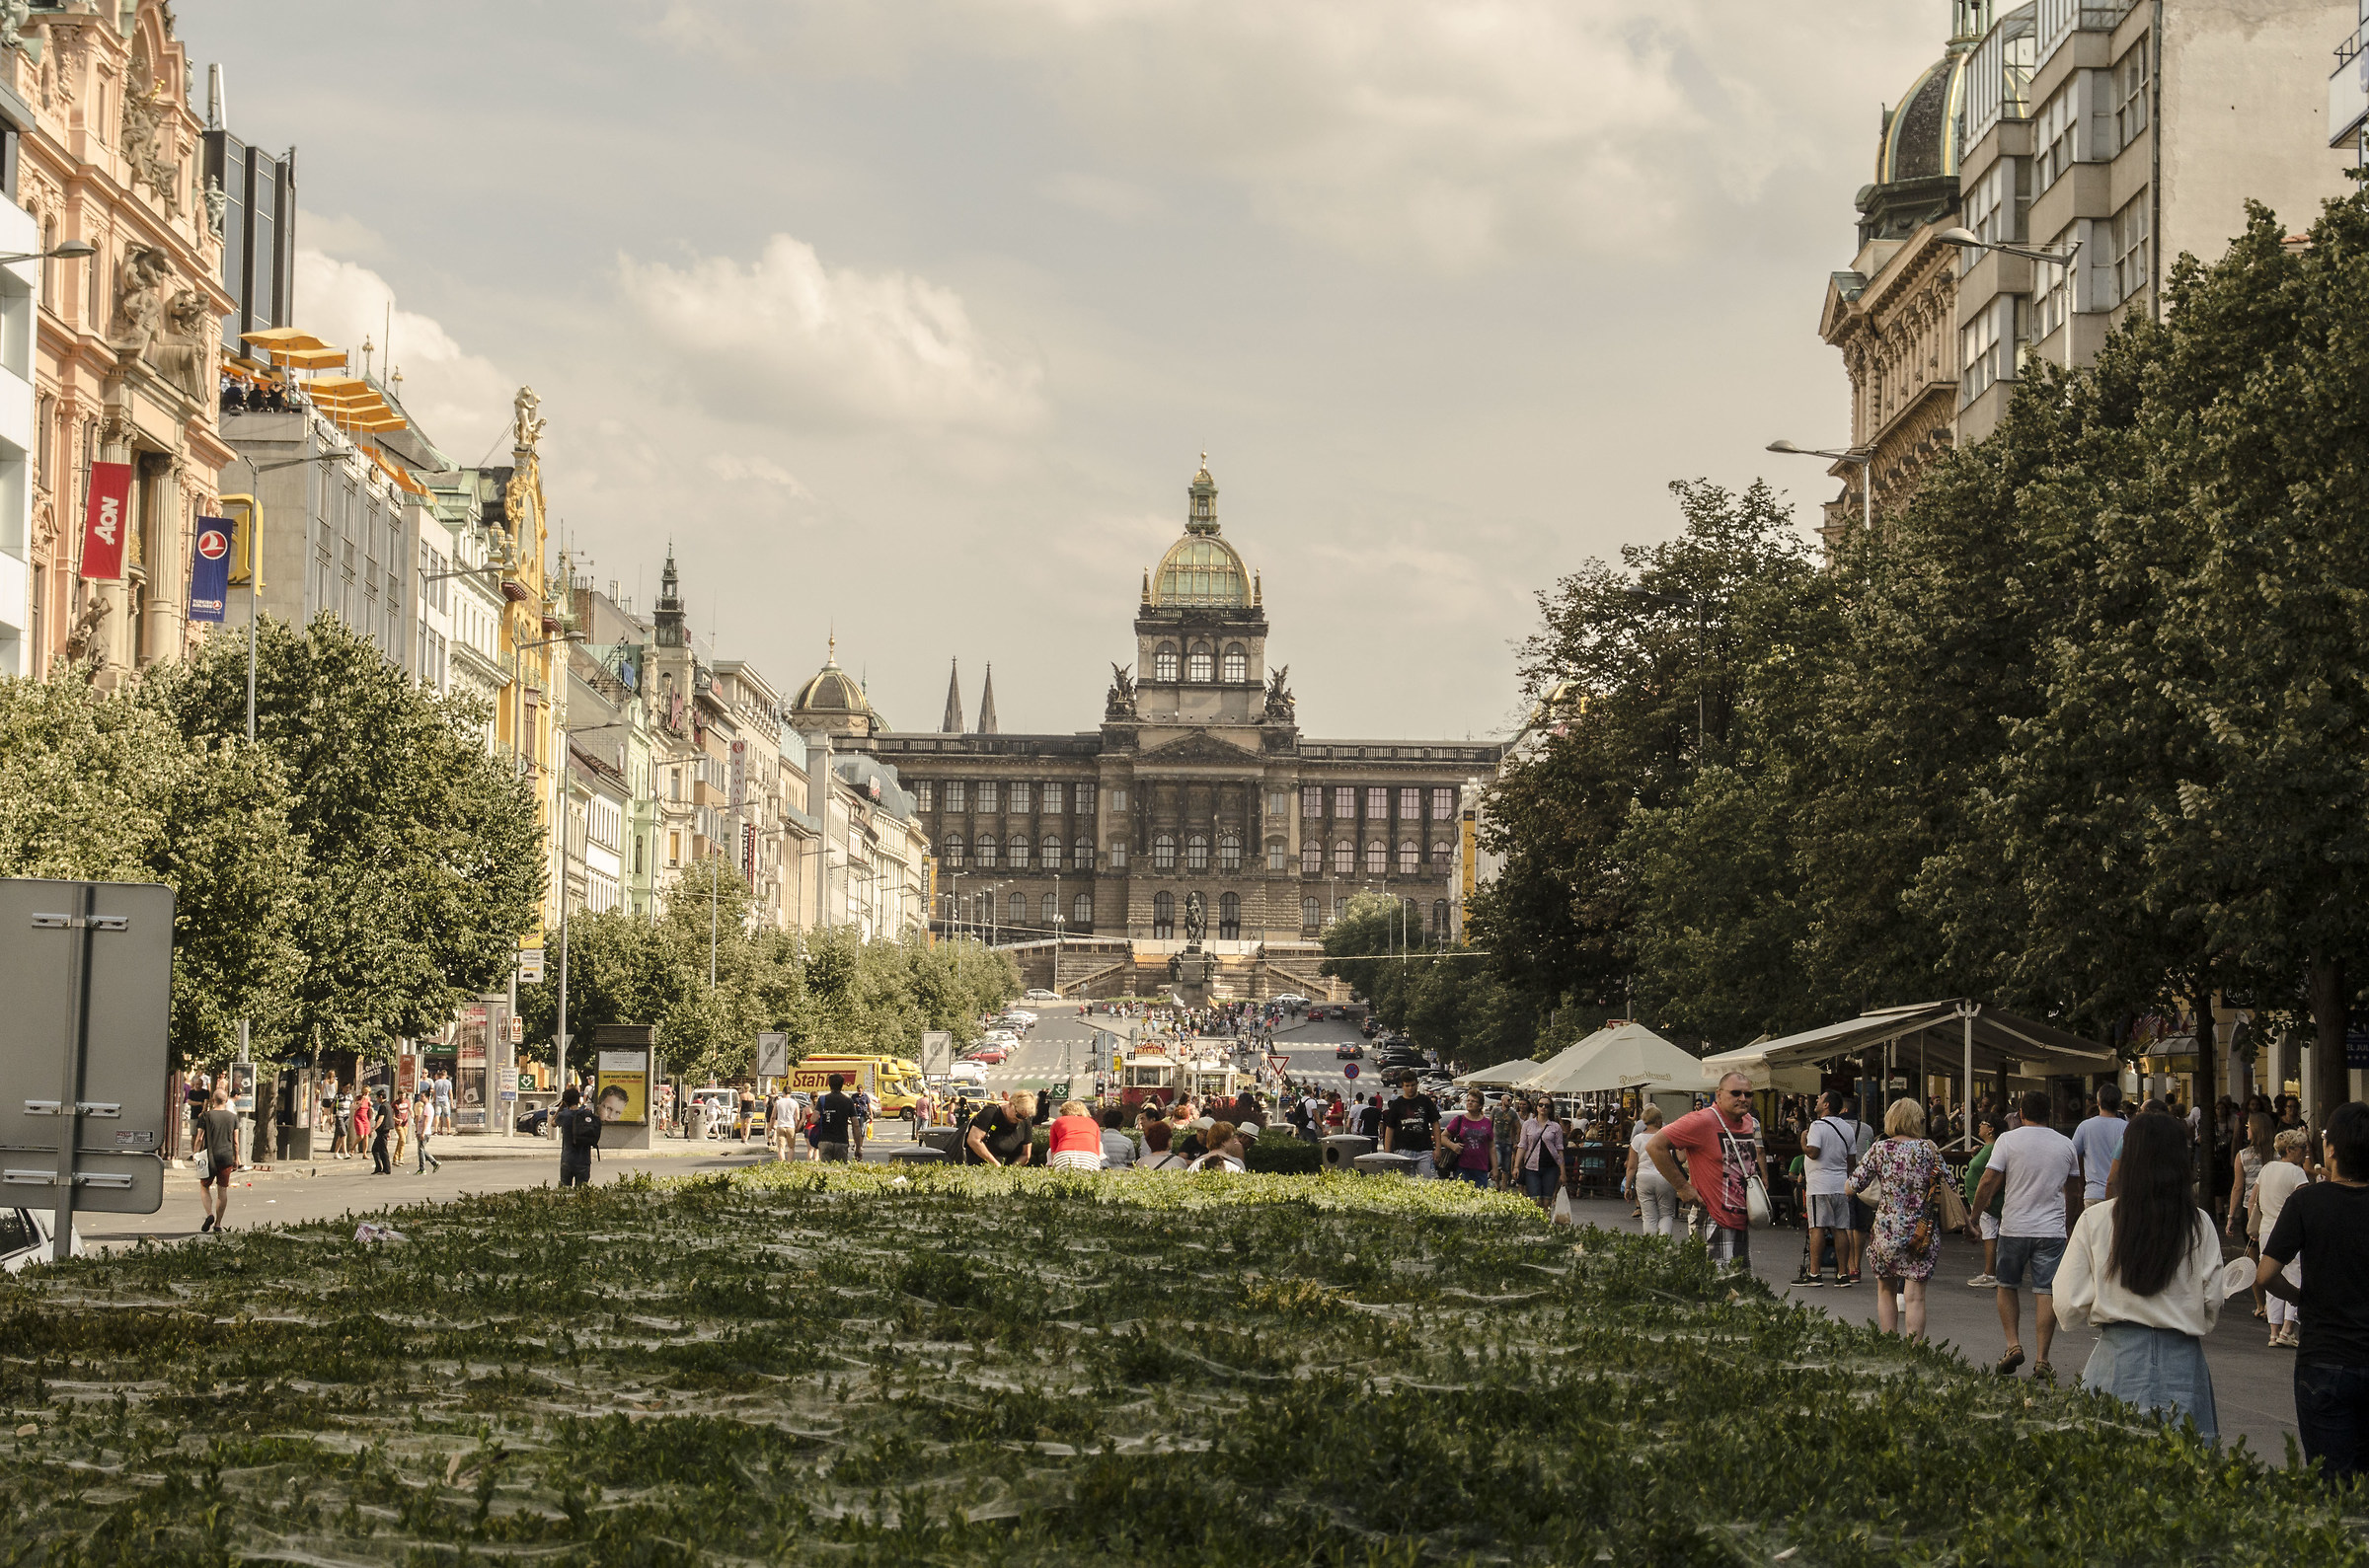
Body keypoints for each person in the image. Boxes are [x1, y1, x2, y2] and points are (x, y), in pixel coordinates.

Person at [2055, 1112, 2224, 1444]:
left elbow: (2066, 1303)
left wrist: (2106, 1302)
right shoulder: (2199, 1223)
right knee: (2190, 1472)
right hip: (2184, 1366)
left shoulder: (2096, 1219)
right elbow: (2212, 1301)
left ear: (2128, 1158)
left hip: (2116, 1362)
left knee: (2109, 1471)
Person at [2259, 1103, 2369, 1483]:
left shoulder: (2308, 1202)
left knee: (2333, 1485)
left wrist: (2298, 1297)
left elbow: (2266, 1274)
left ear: (2333, 1150)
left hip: (2324, 1358)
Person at [1966, 1090, 2084, 1378]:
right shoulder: (2065, 1145)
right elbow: (2074, 1192)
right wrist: (2070, 1225)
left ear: (2020, 1112)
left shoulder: (2007, 1140)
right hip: (2051, 1230)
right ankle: (2042, 1359)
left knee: (2006, 1285)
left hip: (2014, 1227)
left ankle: (2013, 1345)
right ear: (2050, 1114)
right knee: (2046, 1291)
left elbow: (1987, 1181)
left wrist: (1975, 1217)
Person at [1847, 1097, 1947, 1339]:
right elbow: (1949, 1186)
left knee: (1885, 1289)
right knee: (1915, 1297)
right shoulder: (1928, 1149)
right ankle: (1913, 1351)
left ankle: (1890, 1346)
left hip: (1886, 1231)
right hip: (1921, 1232)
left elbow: (1853, 1186)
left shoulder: (1880, 1148)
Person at [1648, 1072, 1769, 1269]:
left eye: (1748, 1094)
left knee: (1739, 1290)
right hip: (1713, 1217)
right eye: (1736, 1093)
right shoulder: (1702, 1120)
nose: (1743, 1099)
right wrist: (1682, 1187)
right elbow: (1655, 1146)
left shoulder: (1749, 1123)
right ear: (1719, 1095)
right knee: (1719, 1290)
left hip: (1740, 1219)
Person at [1802, 1091, 1871, 1289]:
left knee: (1817, 1228)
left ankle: (1814, 1273)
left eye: (1820, 1099)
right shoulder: (1847, 1129)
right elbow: (1851, 1162)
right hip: (1840, 1184)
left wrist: (1802, 1142)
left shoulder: (1817, 1126)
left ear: (1826, 1105)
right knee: (1841, 1229)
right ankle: (1843, 1273)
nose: (1816, 1101)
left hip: (1819, 1185)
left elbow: (1813, 1152)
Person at [2254, 1127, 2311, 1348]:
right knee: (2294, 1276)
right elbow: (2305, 1201)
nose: (2305, 1152)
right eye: (2302, 1148)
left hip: (2266, 1229)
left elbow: (2254, 1199)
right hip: (2288, 1229)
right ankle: (2288, 1328)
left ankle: (2273, 1331)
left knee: (2271, 1279)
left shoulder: (2267, 1168)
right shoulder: (2296, 1172)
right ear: (2290, 1150)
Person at [2230, 1109, 2277, 1318]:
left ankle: (2261, 1305)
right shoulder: (2278, 1156)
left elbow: (2237, 1188)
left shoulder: (2243, 1156)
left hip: (2252, 1214)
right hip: (2275, 1212)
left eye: (2249, 1126)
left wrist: (2231, 1216)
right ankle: (2276, 1306)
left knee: (2254, 1260)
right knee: (2276, 1261)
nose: (2247, 1129)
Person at [1625, 1104, 1680, 1237]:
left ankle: (1651, 1247)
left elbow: (1631, 1166)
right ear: (1659, 1120)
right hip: (1665, 1177)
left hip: (1643, 1178)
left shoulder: (1637, 1139)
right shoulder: (1667, 1137)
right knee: (1666, 1214)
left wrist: (1627, 1186)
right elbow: (1679, 1157)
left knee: (1649, 1216)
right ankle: (1663, 1244)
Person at [1962, 1114, 2004, 1286]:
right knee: (1989, 1232)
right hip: (1978, 1197)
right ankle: (1990, 1271)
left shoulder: (1995, 1148)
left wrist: (1990, 1194)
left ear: (1991, 1129)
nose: (1980, 1126)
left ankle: (1990, 1273)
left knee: (1989, 1233)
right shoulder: (1986, 1148)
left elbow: (2000, 1174)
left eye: (1984, 1124)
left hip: (1987, 1201)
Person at [2072, 1083, 2127, 1206]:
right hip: (2119, 1195)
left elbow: (2072, 1155)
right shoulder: (2126, 1128)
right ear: (2119, 1104)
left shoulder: (2085, 1127)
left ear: (2098, 1103)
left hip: (2093, 1194)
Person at [194, 1084, 240, 1233]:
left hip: (209, 1157)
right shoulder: (233, 1117)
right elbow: (235, 1141)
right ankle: (218, 1224)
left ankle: (210, 1214)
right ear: (226, 1100)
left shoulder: (206, 1116)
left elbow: (199, 1138)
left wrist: (195, 1153)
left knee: (204, 1187)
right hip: (226, 1157)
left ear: (213, 1100)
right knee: (222, 1190)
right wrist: (237, 1158)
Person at [1381, 1075, 1442, 1177]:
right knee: (1405, 1185)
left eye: (1413, 1085)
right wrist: (1387, 1153)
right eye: (1407, 1085)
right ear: (1402, 1086)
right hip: (1403, 1150)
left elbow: (1435, 1124)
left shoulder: (1425, 1101)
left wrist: (1438, 1148)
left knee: (1426, 1183)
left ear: (1417, 1084)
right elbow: (1390, 1128)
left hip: (1425, 1150)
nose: (1410, 1088)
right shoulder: (1397, 1104)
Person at [1515, 1098, 1567, 1215]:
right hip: (1531, 1167)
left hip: (1550, 1167)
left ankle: (1545, 1227)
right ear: (1536, 1107)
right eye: (1541, 1105)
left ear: (1550, 1109)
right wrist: (1516, 1166)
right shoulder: (1528, 1124)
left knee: (1546, 1202)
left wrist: (1563, 1172)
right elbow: (1522, 1145)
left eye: (1547, 1106)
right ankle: (1536, 1226)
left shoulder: (1555, 1127)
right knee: (1535, 1201)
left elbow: (1559, 1150)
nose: (1543, 1107)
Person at [964, 1089, 1035, 1167]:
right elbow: (973, 1140)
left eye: (1024, 1117)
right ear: (1011, 1104)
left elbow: (1025, 1154)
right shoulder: (991, 1112)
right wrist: (995, 1164)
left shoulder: (1025, 1122)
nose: (1020, 1119)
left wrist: (1010, 1170)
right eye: (1018, 1115)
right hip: (980, 1166)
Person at [1439, 1091, 1493, 1189]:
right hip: (1462, 1167)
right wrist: (1453, 1146)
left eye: (1473, 1101)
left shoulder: (1487, 1122)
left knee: (1480, 1199)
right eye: (1468, 1100)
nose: (1469, 1103)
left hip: (1481, 1169)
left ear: (1480, 1105)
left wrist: (1495, 1168)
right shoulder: (1459, 1120)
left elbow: (1491, 1147)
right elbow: (1442, 1137)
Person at [554, 1085, 600, 1188]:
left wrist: (562, 1105)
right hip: (584, 1160)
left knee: (565, 1192)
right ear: (578, 1100)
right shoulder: (586, 1114)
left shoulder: (564, 1116)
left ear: (565, 1101)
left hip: (568, 1159)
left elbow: (553, 1123)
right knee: (582, 1193)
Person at [811, 1074, 858, 1162]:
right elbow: (855, 1125)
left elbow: (814, 1119)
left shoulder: (822, 1100)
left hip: (825, 1140)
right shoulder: (848, 1101)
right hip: (841, 1141)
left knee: (826, 1171)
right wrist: (858, 1147)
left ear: (829, 1084)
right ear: (842, 1085)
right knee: (840, 1170)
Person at [1048, 1099, 1104, 1171]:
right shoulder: (1093, 1123)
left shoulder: (1058, 1121)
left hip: (1063, 1156)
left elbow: (1053, 1150)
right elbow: (1097, 1150)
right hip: (1089, 1157)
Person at [1099, 1105, 1137, 1170]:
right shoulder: (1128, 1142)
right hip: (1122, 1175)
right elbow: (1131, 1164)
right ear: (1120, 1124)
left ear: (1104, 1123)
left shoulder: (1098, 1140)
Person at [415, 1089, 442, 1175]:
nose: (420, 1098)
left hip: (425, 1132)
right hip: (423, 1131)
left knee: (421, 1150)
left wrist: (422, 1132)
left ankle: (422, 1168)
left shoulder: (427, 1107)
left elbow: (426, 1121)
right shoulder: (427, 1106)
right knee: (421, 1149)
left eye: (422, 1096)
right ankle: (434, 1163)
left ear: (427, 1097)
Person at [368, 1089, 392, 1175]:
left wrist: (373, 1128)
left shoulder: (383, 1106)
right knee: (375, 1149)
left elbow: (381, 1119)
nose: (377, 1099)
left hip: (382, 1131)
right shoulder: (388, 1105)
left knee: (383, 1150)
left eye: (377, 1097)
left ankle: (386, 1169)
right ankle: (378, 1167)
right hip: (384, 1131)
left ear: (381, 1097)